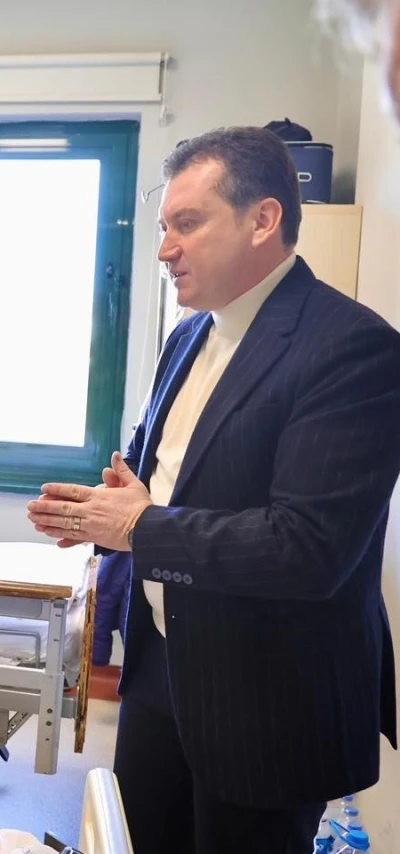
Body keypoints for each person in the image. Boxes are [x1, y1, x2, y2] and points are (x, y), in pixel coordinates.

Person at [25, 126, 400, 854]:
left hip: (267, 696)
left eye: (187, 224)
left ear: (263, 220)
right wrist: (103, 512)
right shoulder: (188, 337)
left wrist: (138, 527)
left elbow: (308, 549)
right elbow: (160, 477)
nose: (165, 248)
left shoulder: (352, 348)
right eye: (165, 226)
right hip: (162, 670)